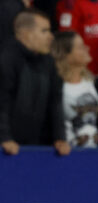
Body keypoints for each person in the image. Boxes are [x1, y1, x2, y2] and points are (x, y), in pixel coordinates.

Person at [0, 9, 69, 156]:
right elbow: (2, 103)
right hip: (8, 147)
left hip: (36, 147)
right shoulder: (6, 60)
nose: (51, 37)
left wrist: (59, 137)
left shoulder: (49, 61)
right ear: (25, 33)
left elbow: (55, 102)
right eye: (44, 31)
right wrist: (4, 137)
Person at [52, 30, 98, 147]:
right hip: (65, 153)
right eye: (80, 47)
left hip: (92, 152)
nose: (87, 48)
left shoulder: (88, 80)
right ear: (65, 54)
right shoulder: (58, 85)